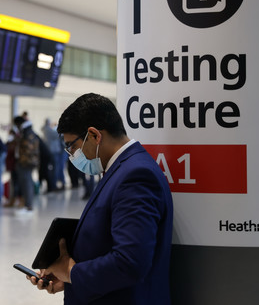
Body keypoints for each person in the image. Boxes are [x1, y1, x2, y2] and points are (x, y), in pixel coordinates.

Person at [27, 93, 173, 304]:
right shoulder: (119, 169)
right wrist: (68, 279)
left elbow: (130, 262)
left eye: (72, 146)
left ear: (94, 135)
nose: (72, 155)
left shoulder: (136, 175)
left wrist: (72, 273)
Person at [13, 115, 40, 214]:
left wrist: (22, 161)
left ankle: (28, 206)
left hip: (26, 162)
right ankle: (27, 205)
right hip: (26, 162)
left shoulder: (27, 133)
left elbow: (28, 149)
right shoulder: (27, 131)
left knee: (26, 183)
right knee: (26, 183)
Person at [42, 118, 64, 191]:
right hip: (53, 152)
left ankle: (52, 185)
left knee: (53, 169)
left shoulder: (46, 130)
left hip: (50, 151)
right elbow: (57, 135)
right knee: (55, 169)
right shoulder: (48, 130)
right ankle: (53, 185)